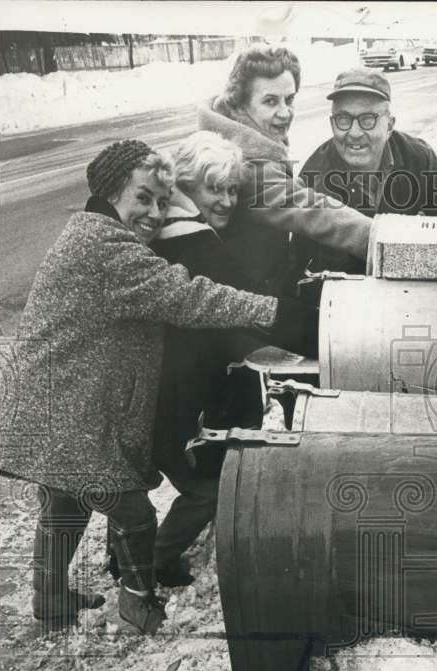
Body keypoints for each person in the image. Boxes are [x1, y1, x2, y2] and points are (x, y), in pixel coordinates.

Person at [0, 139, 316, 635]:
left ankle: (50, 599)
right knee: (134, 512)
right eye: (142, 198)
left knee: (65, 507)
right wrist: (284, 318)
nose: (153, 213)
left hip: (55, 401)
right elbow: (192, 297)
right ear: (109, 194)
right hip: (70, 411)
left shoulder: (91, 232)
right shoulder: (108, 249)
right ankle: (138, 604)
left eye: (162, 202)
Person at [149, 131, 266, 587]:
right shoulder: (195, 243)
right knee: (206, 487)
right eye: (214, 188)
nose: (227, 200)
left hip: (164, 382)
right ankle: (151, 560)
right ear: (187, 187)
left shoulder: (163, 235)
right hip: (180, 391)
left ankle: (129, 556)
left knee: (141, 482)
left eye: (233, 189)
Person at [197, 44, 373, 296]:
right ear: (238, 105)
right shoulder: (240, 163)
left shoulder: (251, 145)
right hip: (239, 312)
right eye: (270, 101)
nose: (284, 112)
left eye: (289, 99)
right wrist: (379, 237)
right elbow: (313, 210)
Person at [290, 68, 437, 276]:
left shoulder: (418, 158)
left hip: (405, 286)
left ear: (389, 125)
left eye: (368, 119)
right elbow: (297, 263)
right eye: (343, 119)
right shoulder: (314, 176)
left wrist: (420, 234)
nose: (354, 133)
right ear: (332, 124)